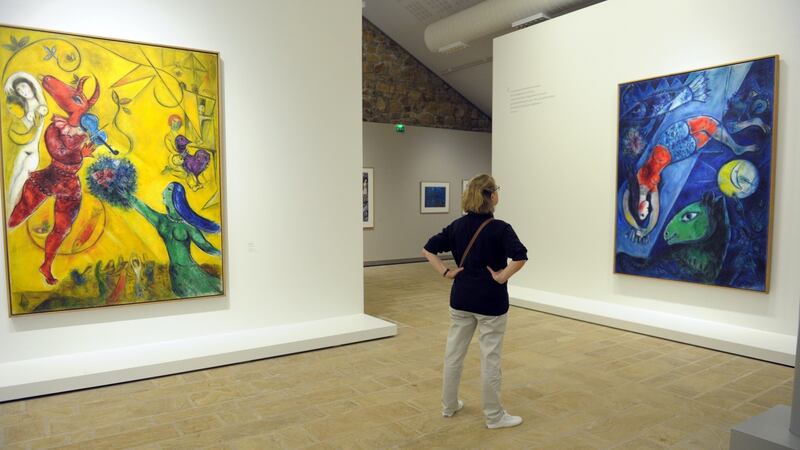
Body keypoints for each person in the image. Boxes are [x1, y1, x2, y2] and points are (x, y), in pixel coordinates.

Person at [422, 174, 528, 429]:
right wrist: (502, 276)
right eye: (497, 190)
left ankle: (449, 406)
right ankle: (494, 416)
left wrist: (445, 272)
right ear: (491, 196)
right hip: (491, 302)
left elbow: (428, 249)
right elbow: (520, 256)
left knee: (453, 353)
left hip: (461, 299)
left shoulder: (457, 226)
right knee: (490, 358)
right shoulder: (501, 228)